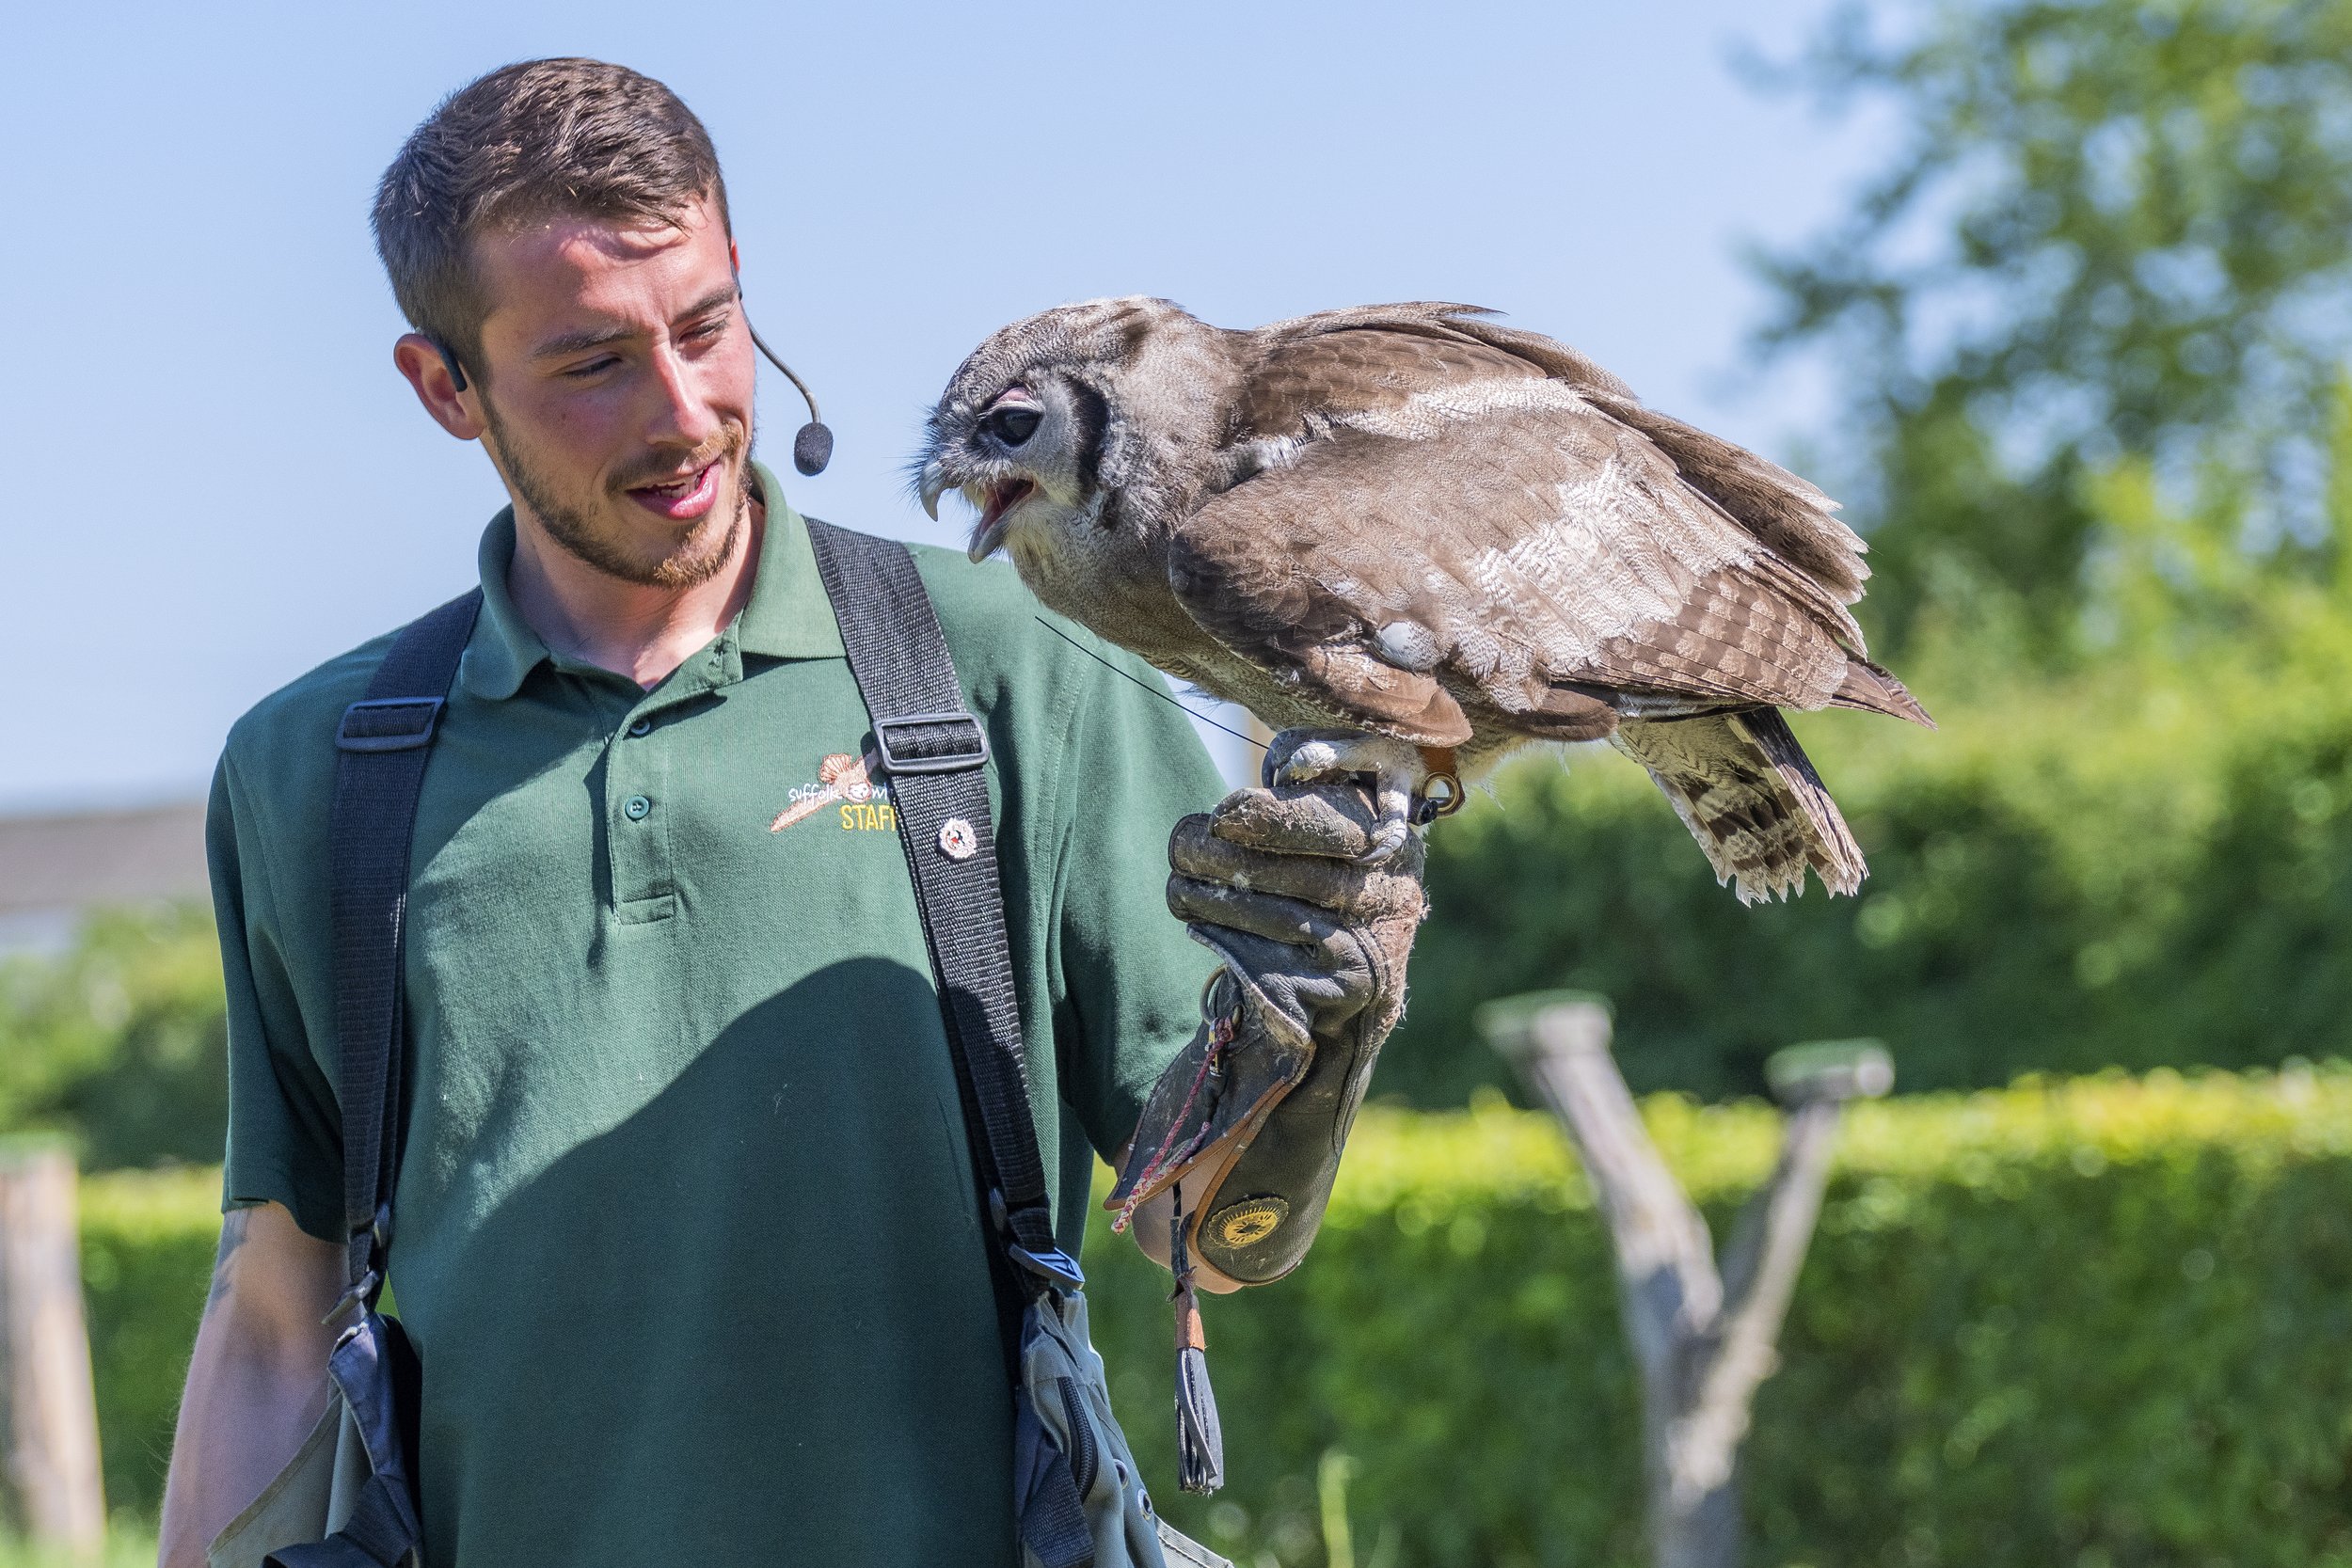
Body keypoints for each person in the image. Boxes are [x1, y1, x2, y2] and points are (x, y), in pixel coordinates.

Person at [156, 57, 1421, 1568]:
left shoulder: (1019, 664)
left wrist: (1317, 1037)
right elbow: (279, 1308)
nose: (686, 412)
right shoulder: (320, 771)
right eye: (590, 364)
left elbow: (1199, 1224)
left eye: (706, 326)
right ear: (447, 387)